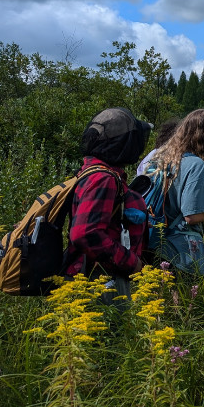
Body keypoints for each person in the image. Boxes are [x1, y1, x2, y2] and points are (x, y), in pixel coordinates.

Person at [66, 107, 153, 302]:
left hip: (97, 275)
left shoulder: (93, 171)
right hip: (101, 280)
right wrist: (132, 262)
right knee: (112, 331)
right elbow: (85, 233)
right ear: (123, 144)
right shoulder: (103, 178)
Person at [147, 108, 204, 276]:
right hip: (179, 250)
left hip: (151, 241)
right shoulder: (195, 164)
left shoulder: (158, 159)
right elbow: (192, 216)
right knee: (184, 300)